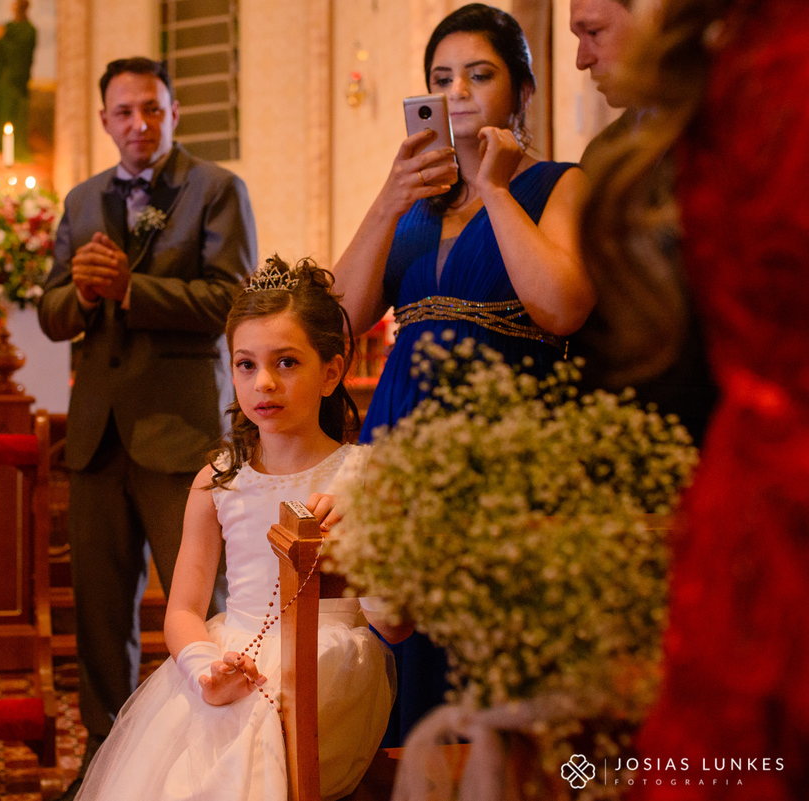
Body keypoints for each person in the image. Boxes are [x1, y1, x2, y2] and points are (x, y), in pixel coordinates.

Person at [330, 2, 594, 745]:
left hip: (503, 463)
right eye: (443, 79)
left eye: (481, 75)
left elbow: (562, 307)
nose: (460, 93)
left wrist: (497, 189)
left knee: (488, 680)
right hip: (399, 453)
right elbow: (339, 318)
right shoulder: (413, 205)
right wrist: (390, 195)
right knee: (403, 674)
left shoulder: (557, 186)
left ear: (522, 92)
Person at [582, 0, 809, 797]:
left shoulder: (746, 65)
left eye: (592, 31)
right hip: (753, 504)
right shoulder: (754, 68)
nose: (584, 54)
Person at [75, 257, 397, 801]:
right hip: (231, 655)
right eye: (245, 365)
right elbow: (182, 610)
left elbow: (397, 622)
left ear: (332, 372)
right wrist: (205, 671)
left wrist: (366, 548)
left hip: (327, 672)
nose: (264, 383)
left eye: (287, 362)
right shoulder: (216, 483)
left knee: (252, 738)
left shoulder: (366, 477)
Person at [37, 56, 257, 798]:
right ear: (104, 121)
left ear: (174, 115)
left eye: (153, 111)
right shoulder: (81, 199)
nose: (139, 124)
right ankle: (107, 762)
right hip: (97, 436)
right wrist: (84, 291)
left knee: (204, 606)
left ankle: (219, 760)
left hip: (181, 431)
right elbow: (51, 313)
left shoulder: (216, 189)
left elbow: (234, 300)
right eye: (125, 112)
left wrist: (135, 288)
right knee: (100, 615)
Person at [570, 0, 719, 444]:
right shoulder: (603, 154)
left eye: (594, 32)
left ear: (655, 18)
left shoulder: (720, 125)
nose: (582, 59)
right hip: (625, 418)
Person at [0, 0, 36, 162]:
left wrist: (0, 39)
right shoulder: (8, 27)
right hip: (0, 81)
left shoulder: (28, 31)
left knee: (12, 118)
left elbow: (17, 55)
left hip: (14, 83)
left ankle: (14, 155)